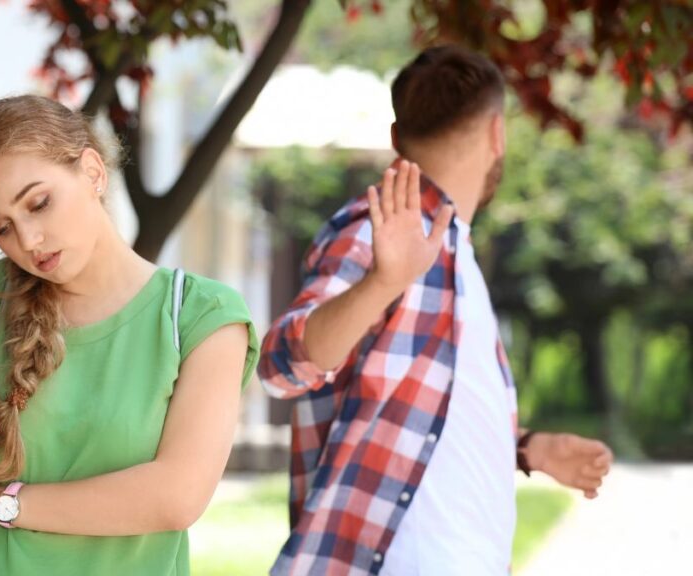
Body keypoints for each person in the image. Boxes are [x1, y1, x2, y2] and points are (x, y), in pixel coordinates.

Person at [258, 45, 613, 575]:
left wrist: (527, 449)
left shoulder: (451, 249)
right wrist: (382, 282)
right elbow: (278, 365)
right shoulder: (379, 232)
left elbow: (420, 411)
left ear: (397, 139)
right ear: (498, 134)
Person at [0, 94, 260, 575]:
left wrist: (0, 504)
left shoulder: (201, 317)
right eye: (0, 229)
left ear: (94, 171)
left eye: (39, 203)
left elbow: (175, 497)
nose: (28, 241)